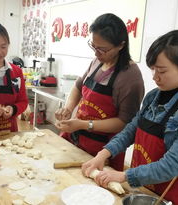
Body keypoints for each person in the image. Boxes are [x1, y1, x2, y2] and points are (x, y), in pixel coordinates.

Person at [82, 30, 178, 205]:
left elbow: (173, 164)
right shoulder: (153, 97)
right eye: (153, 69)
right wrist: (103, 154)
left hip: (171, 197)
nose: (154, 77)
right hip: (142, 190)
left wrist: (125, 175)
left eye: (162, 71)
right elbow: (131, 130)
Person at [55, 13, 144, 171]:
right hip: (76, 138)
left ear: (121, 45)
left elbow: (124, 122)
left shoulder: (130, 77)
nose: (96, 53)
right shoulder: (97, 61)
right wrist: (68, 109)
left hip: (103, 150)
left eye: (102, 49)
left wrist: (83, 124)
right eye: (93, 46)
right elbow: (78, 86)